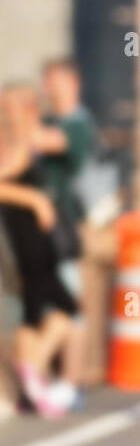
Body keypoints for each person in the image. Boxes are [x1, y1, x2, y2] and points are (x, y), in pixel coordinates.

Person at [0, 85, 78, 416]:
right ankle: (31, 372)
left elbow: (61, 140)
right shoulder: (14, 146)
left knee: (33, 315)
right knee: (64, 307)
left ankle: (28, 386)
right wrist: (34, 199)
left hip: (32, 241)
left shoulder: (26, 141)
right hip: (28, 243)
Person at [31, 59, 99, 409]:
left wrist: (15, 121)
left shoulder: (78, 123)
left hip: (67, 227)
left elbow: (49, 142)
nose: (49, 89)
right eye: (46, 82)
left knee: (69, 305)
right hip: (37, 228)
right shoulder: (44, 120)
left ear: (73, 83)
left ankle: (70, 383)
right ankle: (42, 377)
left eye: (55, 81)